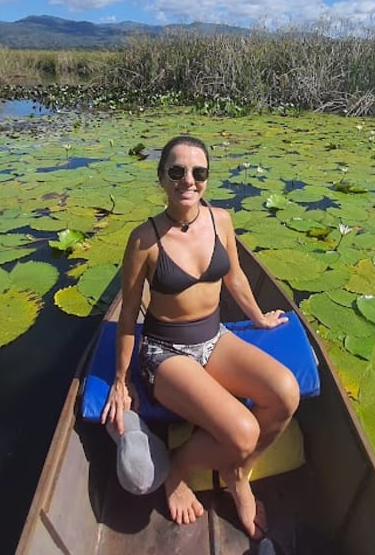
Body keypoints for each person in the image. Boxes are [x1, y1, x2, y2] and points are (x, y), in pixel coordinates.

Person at [101, 135, 300, 539]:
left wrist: (259, 317)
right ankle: (177, 468)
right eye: (177, 171)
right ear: (162, 178)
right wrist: (121, 380)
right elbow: (127, 314)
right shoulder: (144, 239)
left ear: (207, 177)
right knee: (243, 431)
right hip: (166, 354)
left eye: (198, 172)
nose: (188, 180)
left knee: (286, 392)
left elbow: (236, 277)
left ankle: (236, 472)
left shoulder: (220, 220)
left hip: (214, 337)